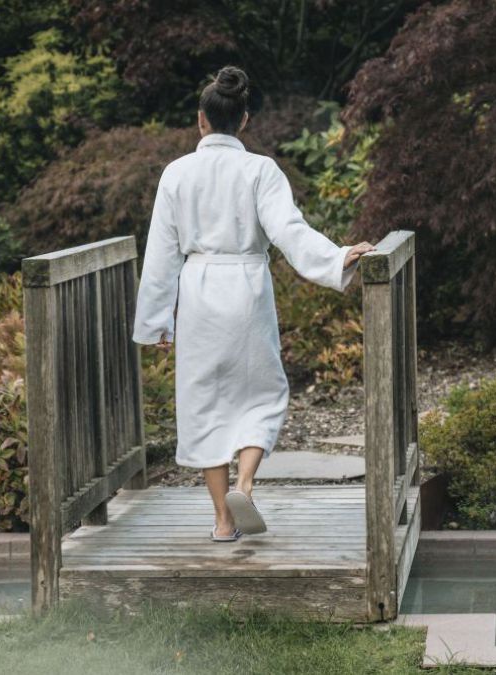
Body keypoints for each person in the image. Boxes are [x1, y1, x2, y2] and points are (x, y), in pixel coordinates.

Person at [132, 66, 375, 542]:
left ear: (201, 120)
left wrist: (158, 321)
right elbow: (290, 230)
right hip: (247, 289)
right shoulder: (261, 170)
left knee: (204, 404)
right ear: (243, 120)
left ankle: (223, 521)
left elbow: (161, 252)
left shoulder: (176, 174)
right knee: (261, 394)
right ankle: (245, 484)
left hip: (199, 290)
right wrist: (337, 256)